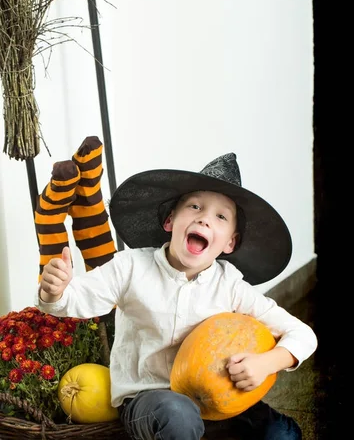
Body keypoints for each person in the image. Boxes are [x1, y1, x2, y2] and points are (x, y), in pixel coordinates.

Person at [35, 152, 318, 440]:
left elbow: (303, 334)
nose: (205, 220)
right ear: (170, 221)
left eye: (220, 216)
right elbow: (75, 299)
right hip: (151, 401)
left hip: (218, 400)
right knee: (178, 415)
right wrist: (55, 291)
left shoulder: (230, 285)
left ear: (230, 242)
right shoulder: (131, 266)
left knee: (283, 434)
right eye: (195, 207)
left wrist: (267, 363)